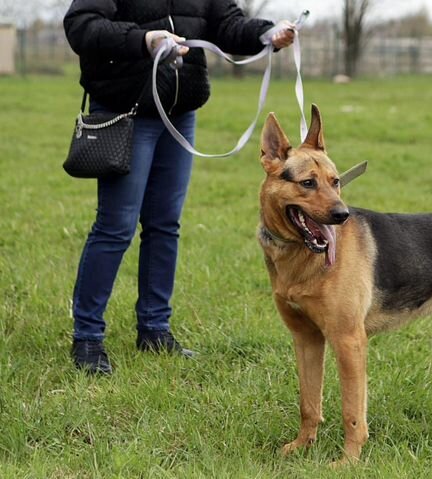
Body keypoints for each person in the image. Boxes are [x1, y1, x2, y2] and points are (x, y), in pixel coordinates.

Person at [63, 0, 295, 375]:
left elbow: (226, 24)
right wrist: (145, 40)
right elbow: (82, 25)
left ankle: (155, 330)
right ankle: (88, 336)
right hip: (128, 110)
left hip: (180, 113)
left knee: (165, 225)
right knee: (115, 228)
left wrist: (264, 33)